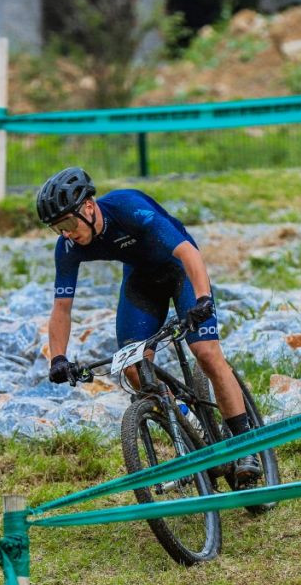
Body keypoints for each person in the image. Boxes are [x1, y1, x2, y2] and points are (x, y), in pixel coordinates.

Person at [36, 166, 262, 484]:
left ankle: (245, 444)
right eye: (57, 228)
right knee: (133, 366)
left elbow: (188, 252)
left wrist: (202, 300)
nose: (66, 233)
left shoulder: (128, 208)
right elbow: (62, 308)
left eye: (69, 223)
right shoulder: (69, 246)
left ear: (88, 207)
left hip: (180, 269)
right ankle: (188, 425)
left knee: (206, 352)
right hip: (142, 282)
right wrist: (58, 358)